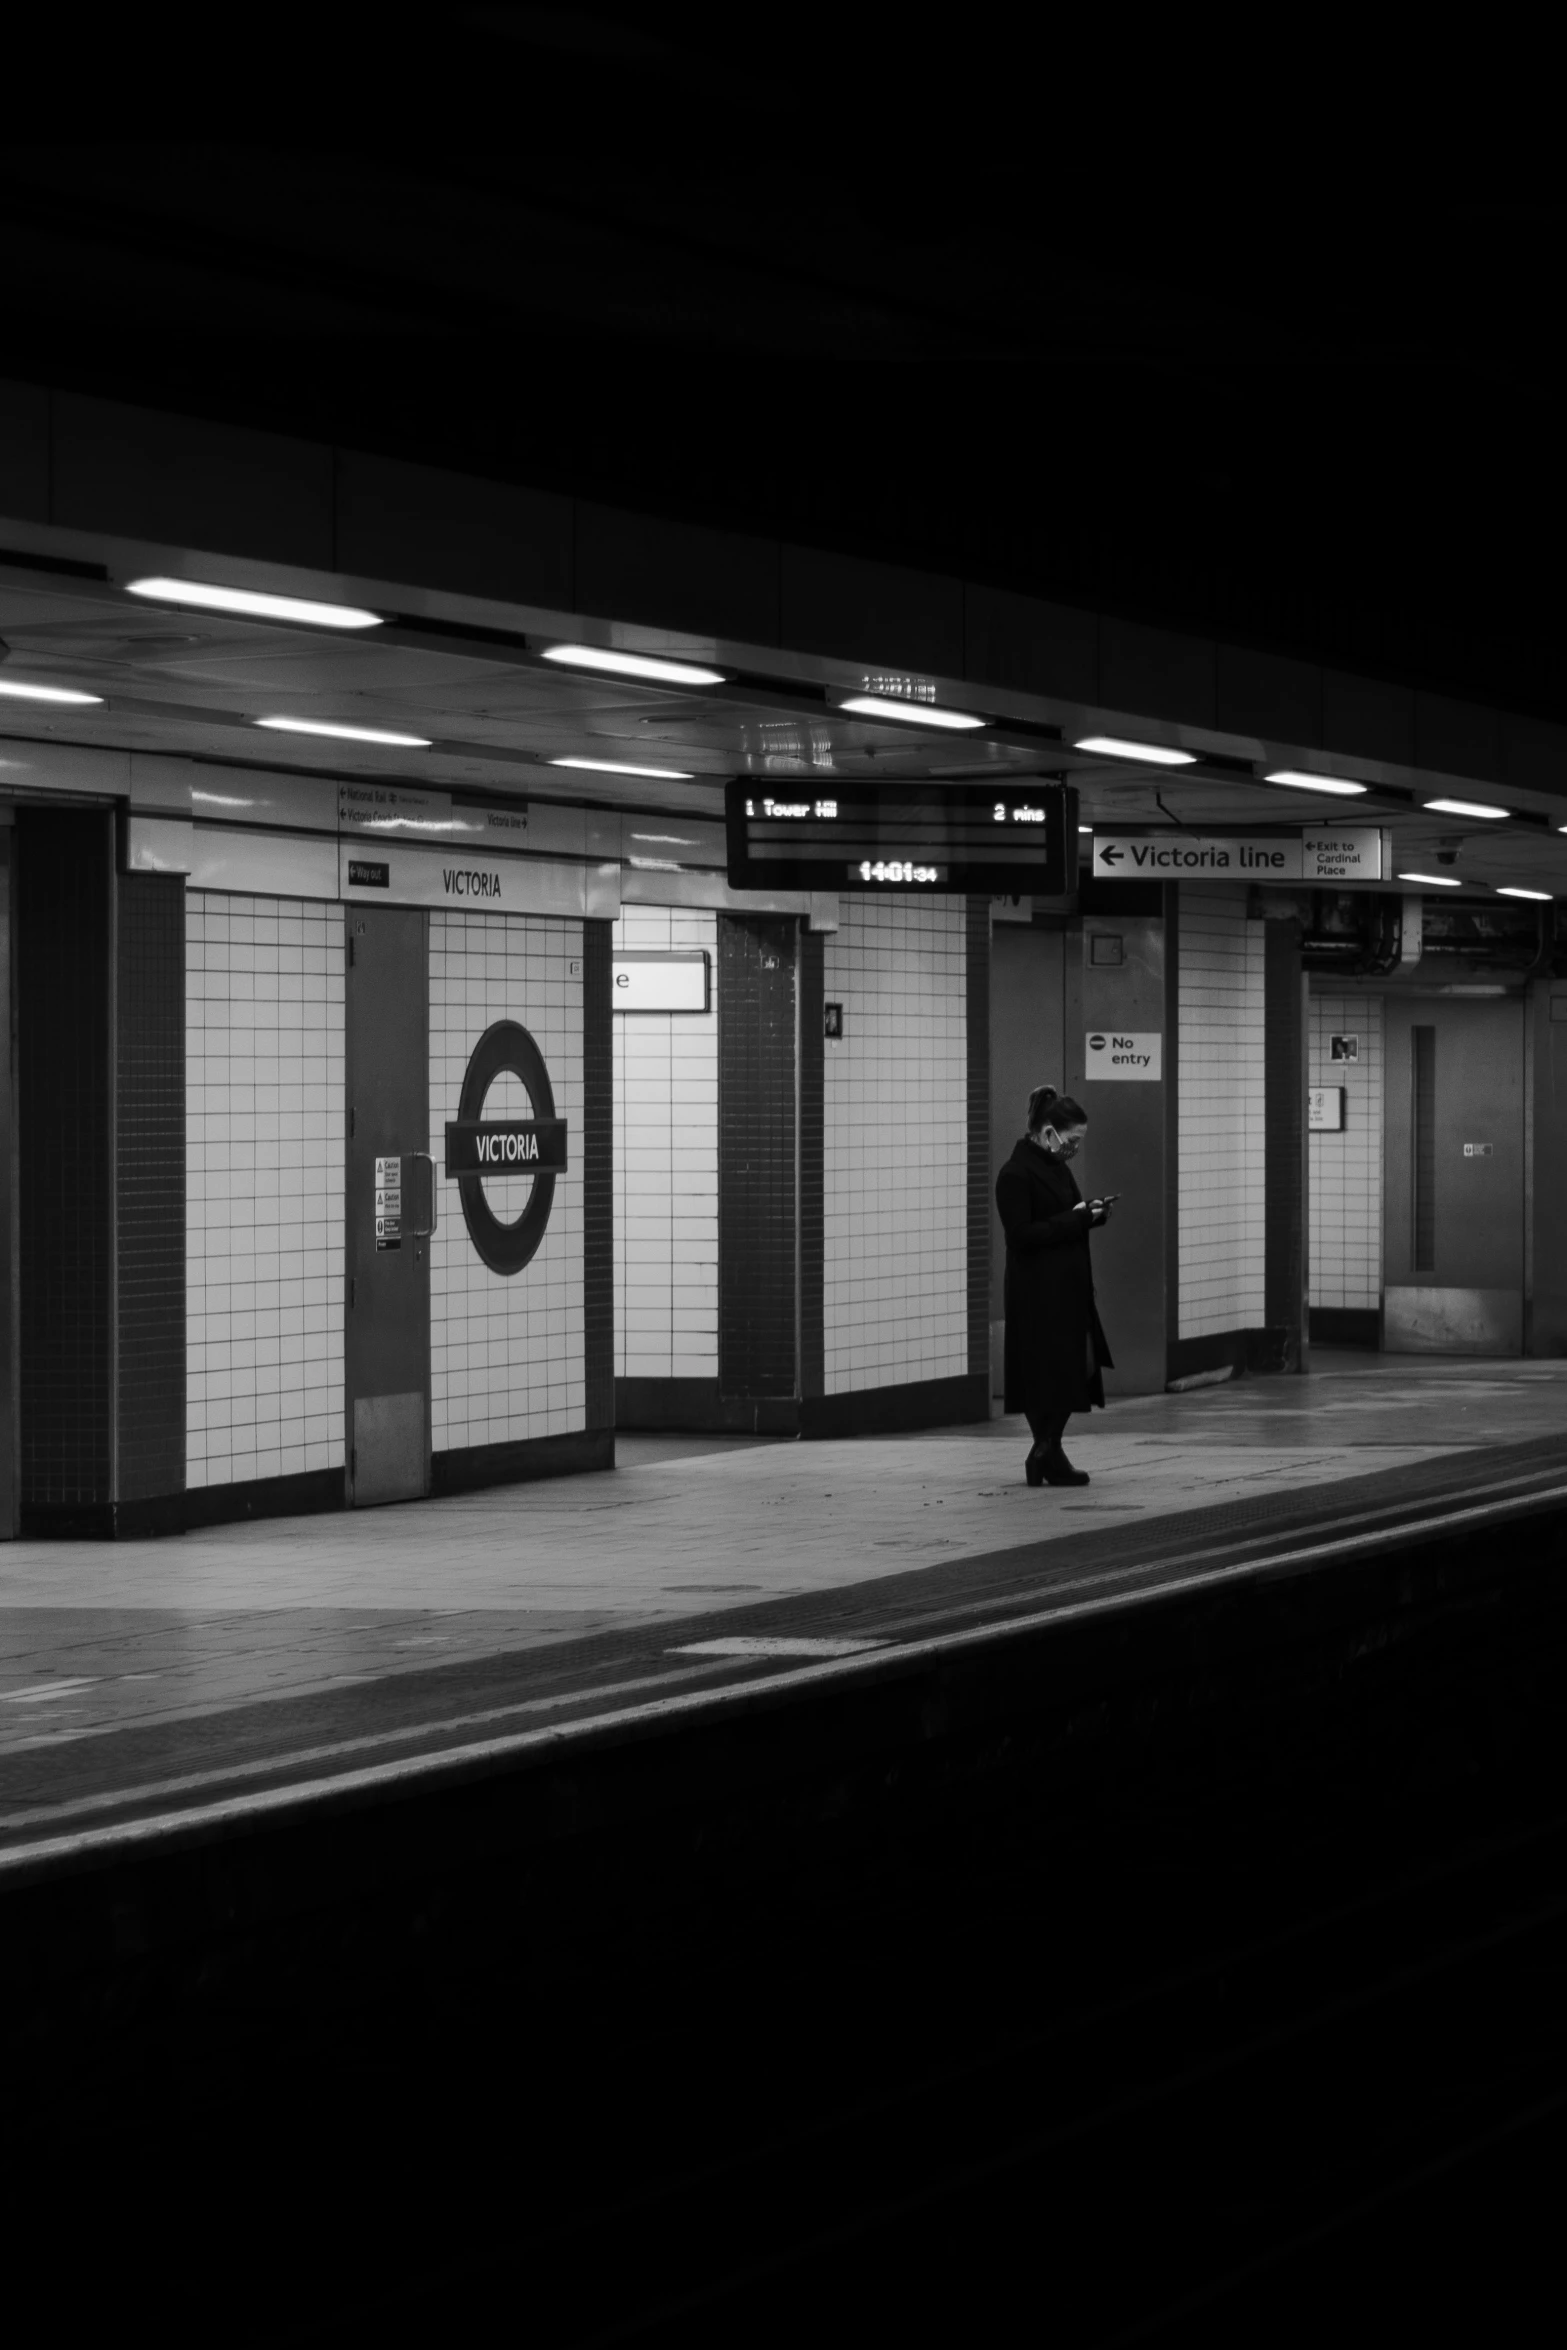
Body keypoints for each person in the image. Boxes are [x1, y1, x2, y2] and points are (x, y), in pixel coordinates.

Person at [995, 1083, 1114, 1488]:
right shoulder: (1013, 1174)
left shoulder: (1057, 1169)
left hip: (1069, 1287)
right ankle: (1046, 1452)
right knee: (1043, 1375)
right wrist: (1078, 1220)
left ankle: (1046, 1451)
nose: (1075, 1148)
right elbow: (1021, 1234)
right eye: (1073, 1139)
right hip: (1036, 1293)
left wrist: (1092, 1213)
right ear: (1049, 1133)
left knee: (1074, 1369)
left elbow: (1069, 1215)